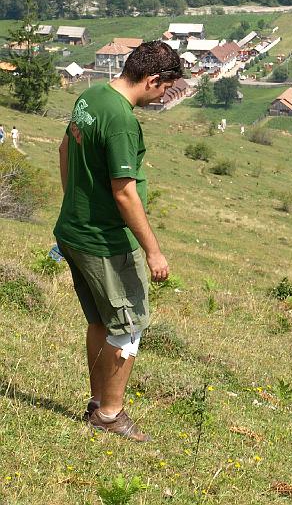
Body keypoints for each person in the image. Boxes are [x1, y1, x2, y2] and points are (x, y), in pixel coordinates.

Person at [54, 41, 182, 442]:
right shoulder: (122, 120)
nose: (164, 97)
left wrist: (75, 204)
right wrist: (154, 251)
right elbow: (124, 192)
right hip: (106, 242)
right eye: (166, 89)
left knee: (100, 320)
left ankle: (97, 402)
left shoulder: (92, 96)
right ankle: (110, 414)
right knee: (129, 326)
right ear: (152, 79)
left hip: (75, 231)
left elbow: (64, 149)